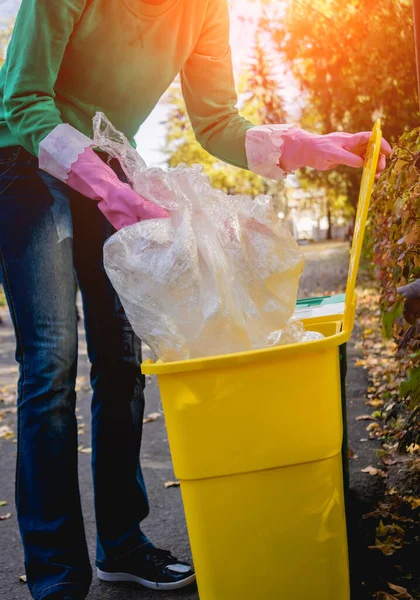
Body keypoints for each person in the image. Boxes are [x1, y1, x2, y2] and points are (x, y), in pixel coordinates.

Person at [0, 1, 392, 599]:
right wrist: (114, 192)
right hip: (26, 156)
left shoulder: (205, 8)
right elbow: (24, 100)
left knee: (124, 357)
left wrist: (302, 144)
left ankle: (122, 545)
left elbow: (215, 122)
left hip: (109, 160)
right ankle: (57, 580)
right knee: (51, 360)